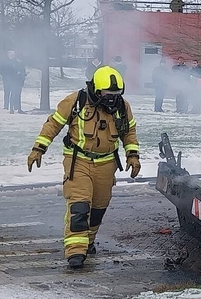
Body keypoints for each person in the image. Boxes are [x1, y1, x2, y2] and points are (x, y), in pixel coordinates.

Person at [27, 66, 140, 269]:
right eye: (107, 94)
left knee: (98, 208)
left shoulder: (123, 107)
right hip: (78, 161)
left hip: (106, 164)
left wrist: (132, 156)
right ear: (96, 90)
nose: (112, 99)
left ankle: (88, 241)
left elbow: (129, 132)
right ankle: (75, 252)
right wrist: (38, 149)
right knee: (79, 206)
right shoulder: (75, 101)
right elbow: (53, 124)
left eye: (115, 94)